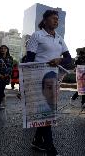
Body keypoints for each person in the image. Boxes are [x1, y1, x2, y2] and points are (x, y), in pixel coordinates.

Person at [26, 10, 71, 155]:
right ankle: (51, 150)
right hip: (39, 79)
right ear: (45, 20)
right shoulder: (36, 35)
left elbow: (69, 59)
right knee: (46, 113)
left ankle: (36, 141)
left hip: (53, 80)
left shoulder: (59, 38)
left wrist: (60, 60)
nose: (56, 21)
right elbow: (29, 60)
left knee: (46, 112)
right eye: (53, 18)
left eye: (58, 19)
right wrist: (25, 85)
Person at [0, 45, 13, 110]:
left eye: (4, 48)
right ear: (0, 50)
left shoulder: (10, 58)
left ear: (7, 50)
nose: (3, 49)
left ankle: (0, 103)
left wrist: (7, 75)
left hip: (6, 77)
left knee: (2, 90)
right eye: (1, 48)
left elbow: (10, 67)